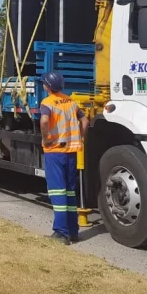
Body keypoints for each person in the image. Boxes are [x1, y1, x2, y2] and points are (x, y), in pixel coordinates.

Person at [39, 71, 89, 245]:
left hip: (55, 151)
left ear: (47, 86)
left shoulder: (47, 103)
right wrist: (80, 138)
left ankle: (61, 233)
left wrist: (46, 138)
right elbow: (85, 121)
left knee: (57, 192)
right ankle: (73, 231)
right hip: (71, 152)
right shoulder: (70, 101)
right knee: (69, 192)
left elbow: (45, 122)